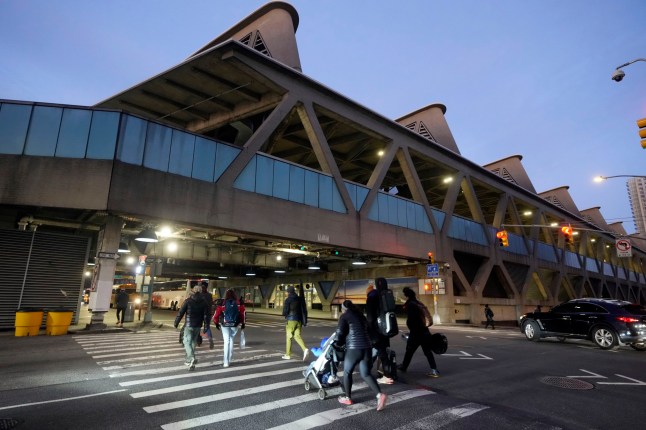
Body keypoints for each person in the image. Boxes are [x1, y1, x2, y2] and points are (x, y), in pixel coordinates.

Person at [335, 300, 387, 411]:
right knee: (366, 373)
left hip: (354, 348)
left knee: (347, 372)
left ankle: (347, 397)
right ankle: (379, 395)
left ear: (344, 308)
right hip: (367, 348)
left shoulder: (344, 316)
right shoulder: (361, 316)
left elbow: (340, 333)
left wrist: (337, 343)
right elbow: (369, 330)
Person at [398, 287, 440, 378]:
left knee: (409, 350)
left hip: (416, 333)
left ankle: (404, 367)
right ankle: (434, 370)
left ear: (406, 295)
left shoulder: (411, 305)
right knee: (427, 352)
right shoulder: (418, 303)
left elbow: (411, 320)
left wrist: (410, 327)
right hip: (425, 332)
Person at [174, 286, 210, 371]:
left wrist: (176, 323)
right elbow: (206, 316)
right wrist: (206, 326)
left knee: (186, 341)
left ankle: (191, 358)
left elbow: (181, 313)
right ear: (201, 292)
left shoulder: (188, 301)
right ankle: (189, 360)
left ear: (193, 291)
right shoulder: (204, 302)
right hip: (198, 325)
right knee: (193, 341)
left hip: (189, 325)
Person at [365, 281, 394, 384]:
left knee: (376, 351)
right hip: (385, 329)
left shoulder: (371, 298)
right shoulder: (383, 297)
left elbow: (370, 317)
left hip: (376, 331)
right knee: (381, 352)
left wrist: (368, 327)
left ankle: (386, 375)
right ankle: (383, 373)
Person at [213, 289, 245, 368]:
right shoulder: (239, 303)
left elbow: (216, 315)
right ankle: (230, 359)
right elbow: (242, 314)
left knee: (226, 342)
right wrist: (243, 323)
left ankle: (225, 362)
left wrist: (216, 323)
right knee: (231, 340)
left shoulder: (223, 303)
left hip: (225, 324)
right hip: (235, 324)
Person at [281, 285, 309, 361]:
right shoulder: (299, 299)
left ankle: (287, 354)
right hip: (299, 321)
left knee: (289, 337)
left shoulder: (288, 300)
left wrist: (285, 314)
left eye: (287, 292)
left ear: (288, 292)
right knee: (297, 336)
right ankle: (305, 349)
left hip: (291, 320)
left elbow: (285, 312)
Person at [200, 281, 215, 349]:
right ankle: (210, 339)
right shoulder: (209, 295)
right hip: (208, 313)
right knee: (207, 327)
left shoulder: (200, 295)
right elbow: (211, 304)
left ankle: (199, 340)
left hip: (200, 313)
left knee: (198, 327)